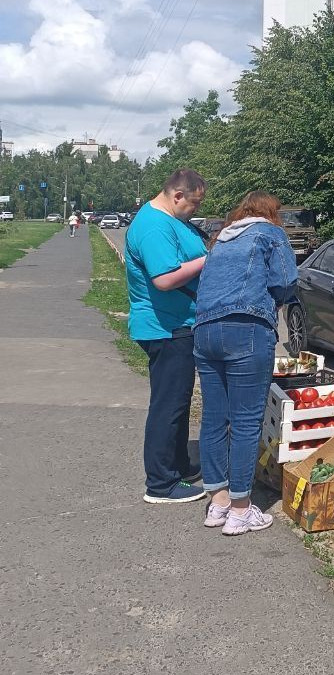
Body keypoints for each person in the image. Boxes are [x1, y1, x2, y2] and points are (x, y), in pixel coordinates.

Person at [193, 191, 298, 535]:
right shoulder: (270, 232)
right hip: (247, 328)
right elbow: (284, 281)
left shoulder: (221, 238)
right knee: (245, 422)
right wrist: (278, 302)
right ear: (271, 212)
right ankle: (240, 509)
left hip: (205, 330)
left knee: (213, 418)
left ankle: (218, 503)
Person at [125, 169, 208, 504]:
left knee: (178, 400)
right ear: (177, 196)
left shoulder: (167, 219)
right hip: (166, 328)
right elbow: (164, 279)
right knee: (168, 405)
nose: (196, 210)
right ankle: (160, 483)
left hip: (176, 324)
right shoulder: (154, 226)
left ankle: (179, 466)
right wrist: (208, 259)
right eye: (194, 203)